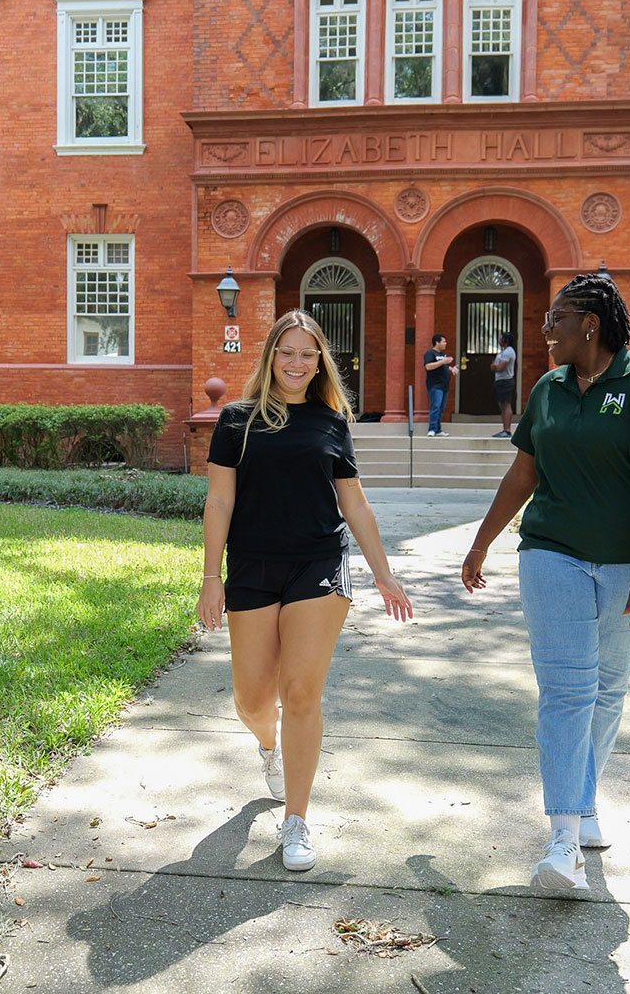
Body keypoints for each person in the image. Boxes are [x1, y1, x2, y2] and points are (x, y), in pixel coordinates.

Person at [458, 273, 630, 891]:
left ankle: (585, 804)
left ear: (589, 323)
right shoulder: (548, 389)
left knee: (609, 688)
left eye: (555, 319)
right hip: (551, 553)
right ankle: (564, 842)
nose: (544, 330)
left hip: (625, 566)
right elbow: (523, 472)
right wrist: (482, 541)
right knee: (566, 691)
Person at [199, 310, 414, 872]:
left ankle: (296, 819)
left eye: (308, 353)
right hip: (251, 568)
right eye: (287, 352)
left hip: (318, 565)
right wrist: (210, 577)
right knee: (251, 699)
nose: (297, 363)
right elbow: (220, 500)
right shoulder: (237, 420)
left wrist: (384, 574)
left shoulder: (331, 421)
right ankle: (268, 747)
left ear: (320, 361)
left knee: (300, 692)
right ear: (271, 355)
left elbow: (355, 504)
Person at [422, 334, 456, 436]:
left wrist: (452, 369)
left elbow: (445, 366)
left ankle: (438, 429)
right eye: (443, 341)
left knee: (441, 408)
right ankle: (432, 429)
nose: (445, 344)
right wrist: (443, 361)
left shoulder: (442, 355)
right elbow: (428, 366)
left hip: (444, 385)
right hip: (435, 385)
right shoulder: (430, 354)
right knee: (435, 406)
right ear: (437, 342)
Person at [491, 330, 517, 438]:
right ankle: (504, 429)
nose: (499, 340)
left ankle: (507, 430)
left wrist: (496, 365)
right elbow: (493, 367)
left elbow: (500, 367)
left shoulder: (509, 352)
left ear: (505, 340)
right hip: (499, 381)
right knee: (501, 405)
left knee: (506, 404)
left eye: (500, 338)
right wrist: (495, 366)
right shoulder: (502, 352)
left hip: (506, 381)